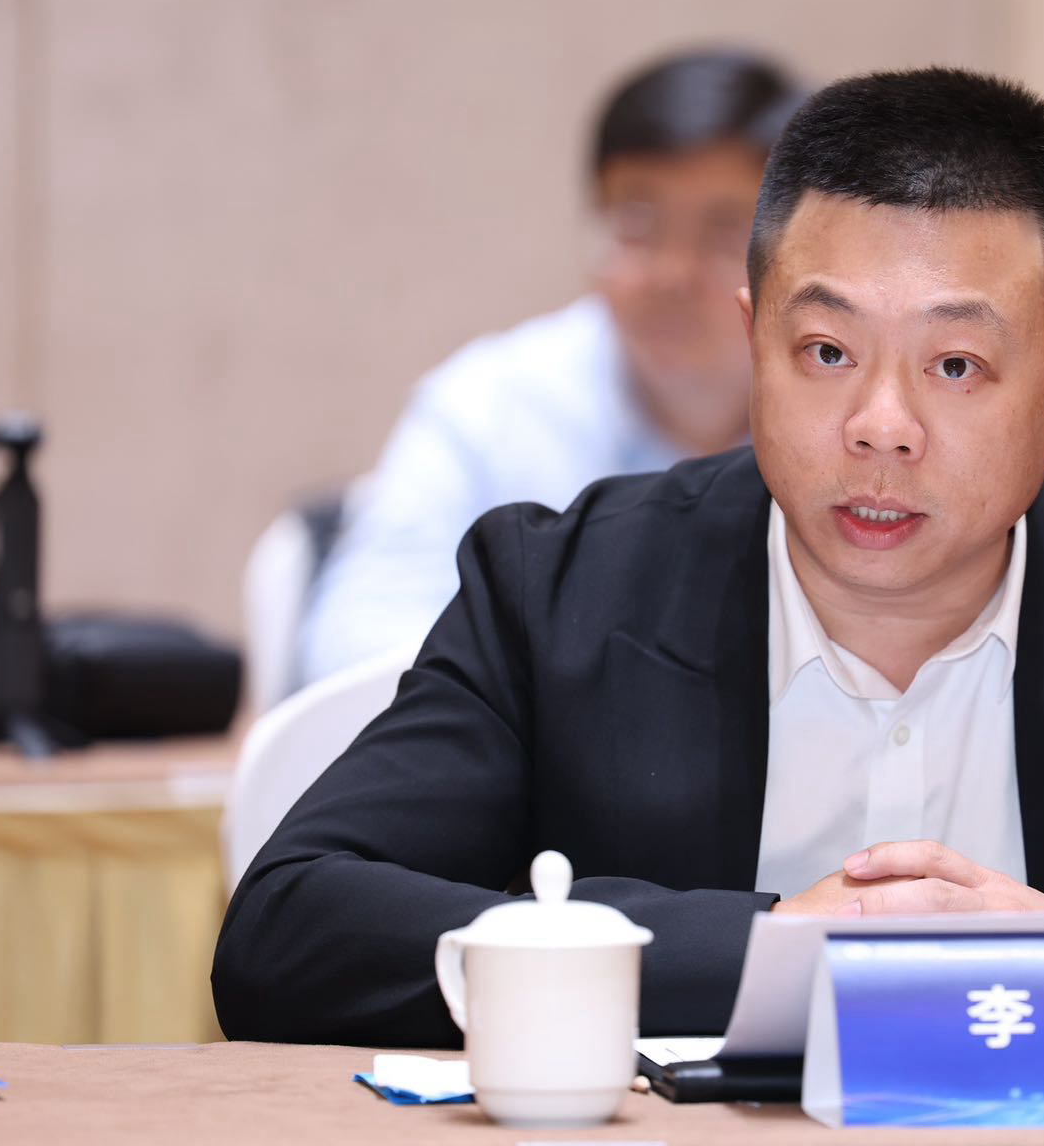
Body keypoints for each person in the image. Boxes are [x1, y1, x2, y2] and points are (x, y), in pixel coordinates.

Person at [213, 67, 1044, 1047]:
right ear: (753, 343)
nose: (880, 426)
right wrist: (771, 953)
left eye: (955, 365)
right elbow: (292, 928)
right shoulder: (560, 595)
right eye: (826, 351)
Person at [296, 49, 804, 684]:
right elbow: (359, 644)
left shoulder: (853, 416)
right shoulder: (489, 409)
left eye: (724, 233)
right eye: (638, 225)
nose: (672, 273)